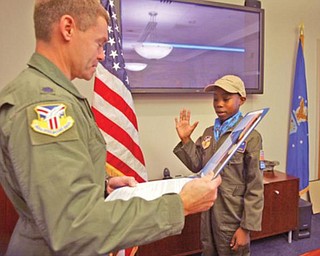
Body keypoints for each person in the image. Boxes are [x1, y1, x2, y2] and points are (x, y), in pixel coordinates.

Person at [0, 1, 221, 255]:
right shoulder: (46, 105)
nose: (103, 54)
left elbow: (51, 189)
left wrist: (101, 185)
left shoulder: (56, 94)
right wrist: (179, 204)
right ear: (68, 28)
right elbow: (73, 227)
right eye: (99, 42)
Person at [173, 75, 264, 255]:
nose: (219, 104)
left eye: (226, 98)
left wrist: (246, 228)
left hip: (232, 214)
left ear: (242, 100)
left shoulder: (249, 135)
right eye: (216, 99)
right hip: (208, 210)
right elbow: (197, 164)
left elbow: (255, 186)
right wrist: (186, 140)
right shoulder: (209, 133)